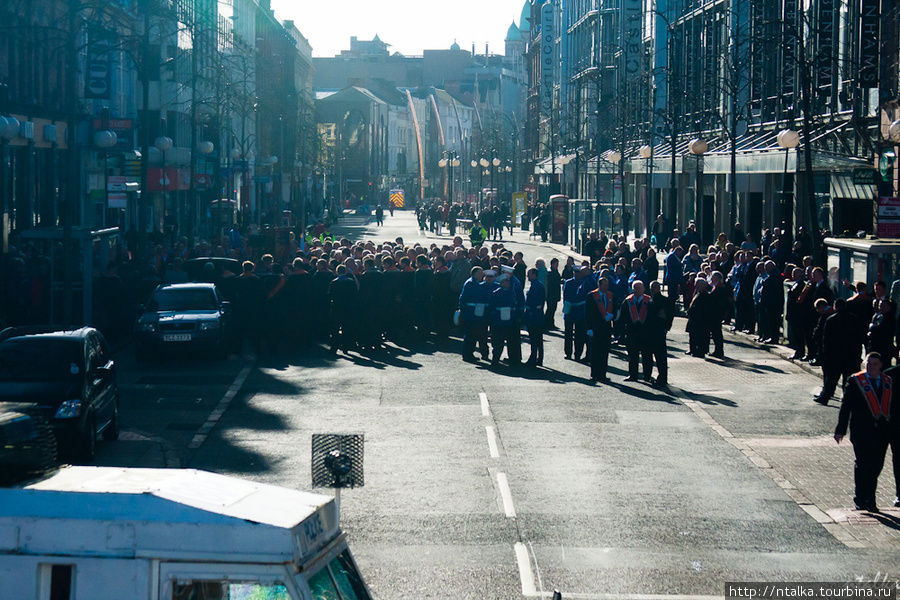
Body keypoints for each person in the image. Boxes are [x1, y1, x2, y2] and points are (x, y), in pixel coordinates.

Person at [834, 352, 892, 512]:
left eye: (874, 364)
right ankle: (862, 498)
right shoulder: (855, 381)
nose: (871, 367)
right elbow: (846, 407)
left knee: (876, 466)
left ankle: (870, 496)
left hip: (881, 432)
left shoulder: (888, 382)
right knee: (863, 464)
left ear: (880, 365)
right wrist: (840, 429)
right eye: (868, 363)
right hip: (861, 431)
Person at [815, 299, 863, 405]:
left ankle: (825, 397)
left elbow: (826, 339)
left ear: (835, 307)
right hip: (850, 354)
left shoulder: (831, 320)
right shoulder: (854, 319)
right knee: (849, 379)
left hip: (835, 354)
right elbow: (858, 339)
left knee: (831, 378)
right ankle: (848, 398)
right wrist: (858, 355)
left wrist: (825, 354)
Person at [619, 280, 654, 382]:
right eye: (635, 288)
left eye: (639, 288)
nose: (637, 290)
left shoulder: (649, 300)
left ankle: (647, 376)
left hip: (646, 333)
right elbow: (623, 317)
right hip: (632, 332)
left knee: (647, 355)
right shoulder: (627, 301)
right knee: (632, 356)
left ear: (644, 288)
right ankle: (633, 375)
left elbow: (653, 317)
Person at [585, 276, 614, 382]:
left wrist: (612, 315)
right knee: (595, 352)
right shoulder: (592, 296)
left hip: (606, 328)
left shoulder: (610, 296)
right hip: (595, 328)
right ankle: (594, 374)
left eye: (607, 285)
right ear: (599, 285)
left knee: (604, 352)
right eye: (604, 285)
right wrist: (589, 328)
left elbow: (614, 309)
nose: (606, 287)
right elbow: (587, 313)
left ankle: (602, 374)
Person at [459, 267, 491, 362]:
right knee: (470, 335)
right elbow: (465, 298)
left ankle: (469, 354)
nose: (482, 275)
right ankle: (467, 354)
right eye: (480, 273)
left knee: (472, 335)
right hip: (471, 313)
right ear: (475, 273)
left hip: (473, 313)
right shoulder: (471, 283)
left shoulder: (474, 282)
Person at [489, 273, 521, 366]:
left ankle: (513, 360)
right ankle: (495, 360)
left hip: (510, 322)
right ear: (502, 283)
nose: (508, 283)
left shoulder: (512, 292)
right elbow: (492, 308)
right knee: (498, 343)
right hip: (499, 322)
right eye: (506, 281)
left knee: (511, 342)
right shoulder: (496, 293)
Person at [647, 280, 674, 386]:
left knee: (660, 356)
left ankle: (662, 378)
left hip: (658, 330)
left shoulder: (664, 301)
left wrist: (666, 328)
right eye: (652, 287)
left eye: (655, 287)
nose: (653, 289)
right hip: (651, 330)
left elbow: (669, 315)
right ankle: (650, 375)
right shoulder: (648, 299)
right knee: (650, 355)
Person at [327, 265, 359, 354]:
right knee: (346, 328)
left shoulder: (334, 282)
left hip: (337, 307)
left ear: (337, 272)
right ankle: (345, 346)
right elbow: (355, 294)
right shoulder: (351, 282)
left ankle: (334, 347)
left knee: (335, 328)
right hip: (348, 308)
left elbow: (330, 295)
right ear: (345, 272)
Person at [562, 266, 591, 361]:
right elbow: (565, 295)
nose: (577, 274)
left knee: (579, 335)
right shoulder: (568, 282)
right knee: (568, 334)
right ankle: (568, 353)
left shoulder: (585, 282)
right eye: (576, 272)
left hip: (580, 312)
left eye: (579, 273)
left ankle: (577, 354)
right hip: (569, 311)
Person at [523, 268, 546, 367]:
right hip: (538, 315)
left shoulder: (536, 286)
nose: (528, 276)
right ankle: (539, 359)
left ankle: (533, 359)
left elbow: (533, 302)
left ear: (534, 275)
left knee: (534, 339)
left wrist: (528, 314)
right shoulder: (538, 285)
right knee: (538, 339)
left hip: (534, 316)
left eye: (529, 274)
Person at [545, 258, 562, 330]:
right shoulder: (551, 272)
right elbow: (551, 285)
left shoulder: (555, 271)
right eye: (556, 264)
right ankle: (547, 324)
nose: (557, 265)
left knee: (553, 309)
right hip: (552, 294)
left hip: (555, 294)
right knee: (550, 309)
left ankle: (551, 323)